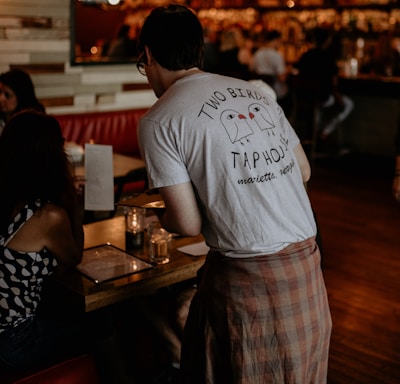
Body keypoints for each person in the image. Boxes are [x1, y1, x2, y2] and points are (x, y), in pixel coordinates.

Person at [136, 4, 331, 383]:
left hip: (249, 282)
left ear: (147, 55)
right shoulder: (252, 93)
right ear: (199, 50)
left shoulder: (159, 119)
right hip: (307, 267)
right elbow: (303, 170)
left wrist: (158, 213)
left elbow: (187, 222)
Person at [0, 110, 85, 373]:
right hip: (13, 342)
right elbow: (74, 257)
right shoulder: (47, 216)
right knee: (101, 322)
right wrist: (73, 198)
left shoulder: (6, 200)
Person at [294, 26, 354, 139]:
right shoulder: (328, 57)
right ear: (328, 40)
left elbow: (299, 75)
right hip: (322, 97)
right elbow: (333, 82)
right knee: (348, 104)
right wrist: (337, 96)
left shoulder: (305, 55)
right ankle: (325, 132)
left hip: (304, 97)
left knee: (317, 106)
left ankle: (314, 135)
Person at [250, 29, 291, 112]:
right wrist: (288, 70)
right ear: (276, 40)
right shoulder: (277, 55)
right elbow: (281, 78)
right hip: (274, 89)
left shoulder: (258, 53)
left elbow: (251, 69)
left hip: (259, 89)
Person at [0, 68, 45, 136]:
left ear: (21, 97)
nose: (1, 98)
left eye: (7, 95)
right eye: (0, 92)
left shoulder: (34, 122)